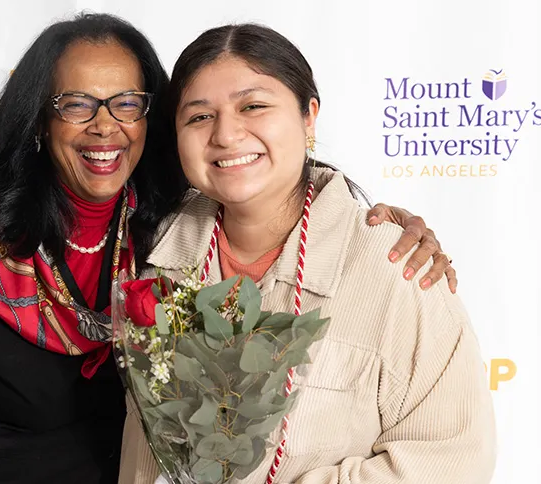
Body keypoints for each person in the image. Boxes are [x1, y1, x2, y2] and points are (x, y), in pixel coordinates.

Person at [0, 13, 459, 484]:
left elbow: (260, 175)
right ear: (39, 119)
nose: (104, 125)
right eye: (76, 104)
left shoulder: (158, 217)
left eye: (127, 104)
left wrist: (386, 220)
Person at [119, 23, 495, 484]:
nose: (226, 134)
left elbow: (452, 460)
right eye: (199, 117)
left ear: (308, 116)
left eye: (253, 106)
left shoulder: (396, 267)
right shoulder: (147, 251)